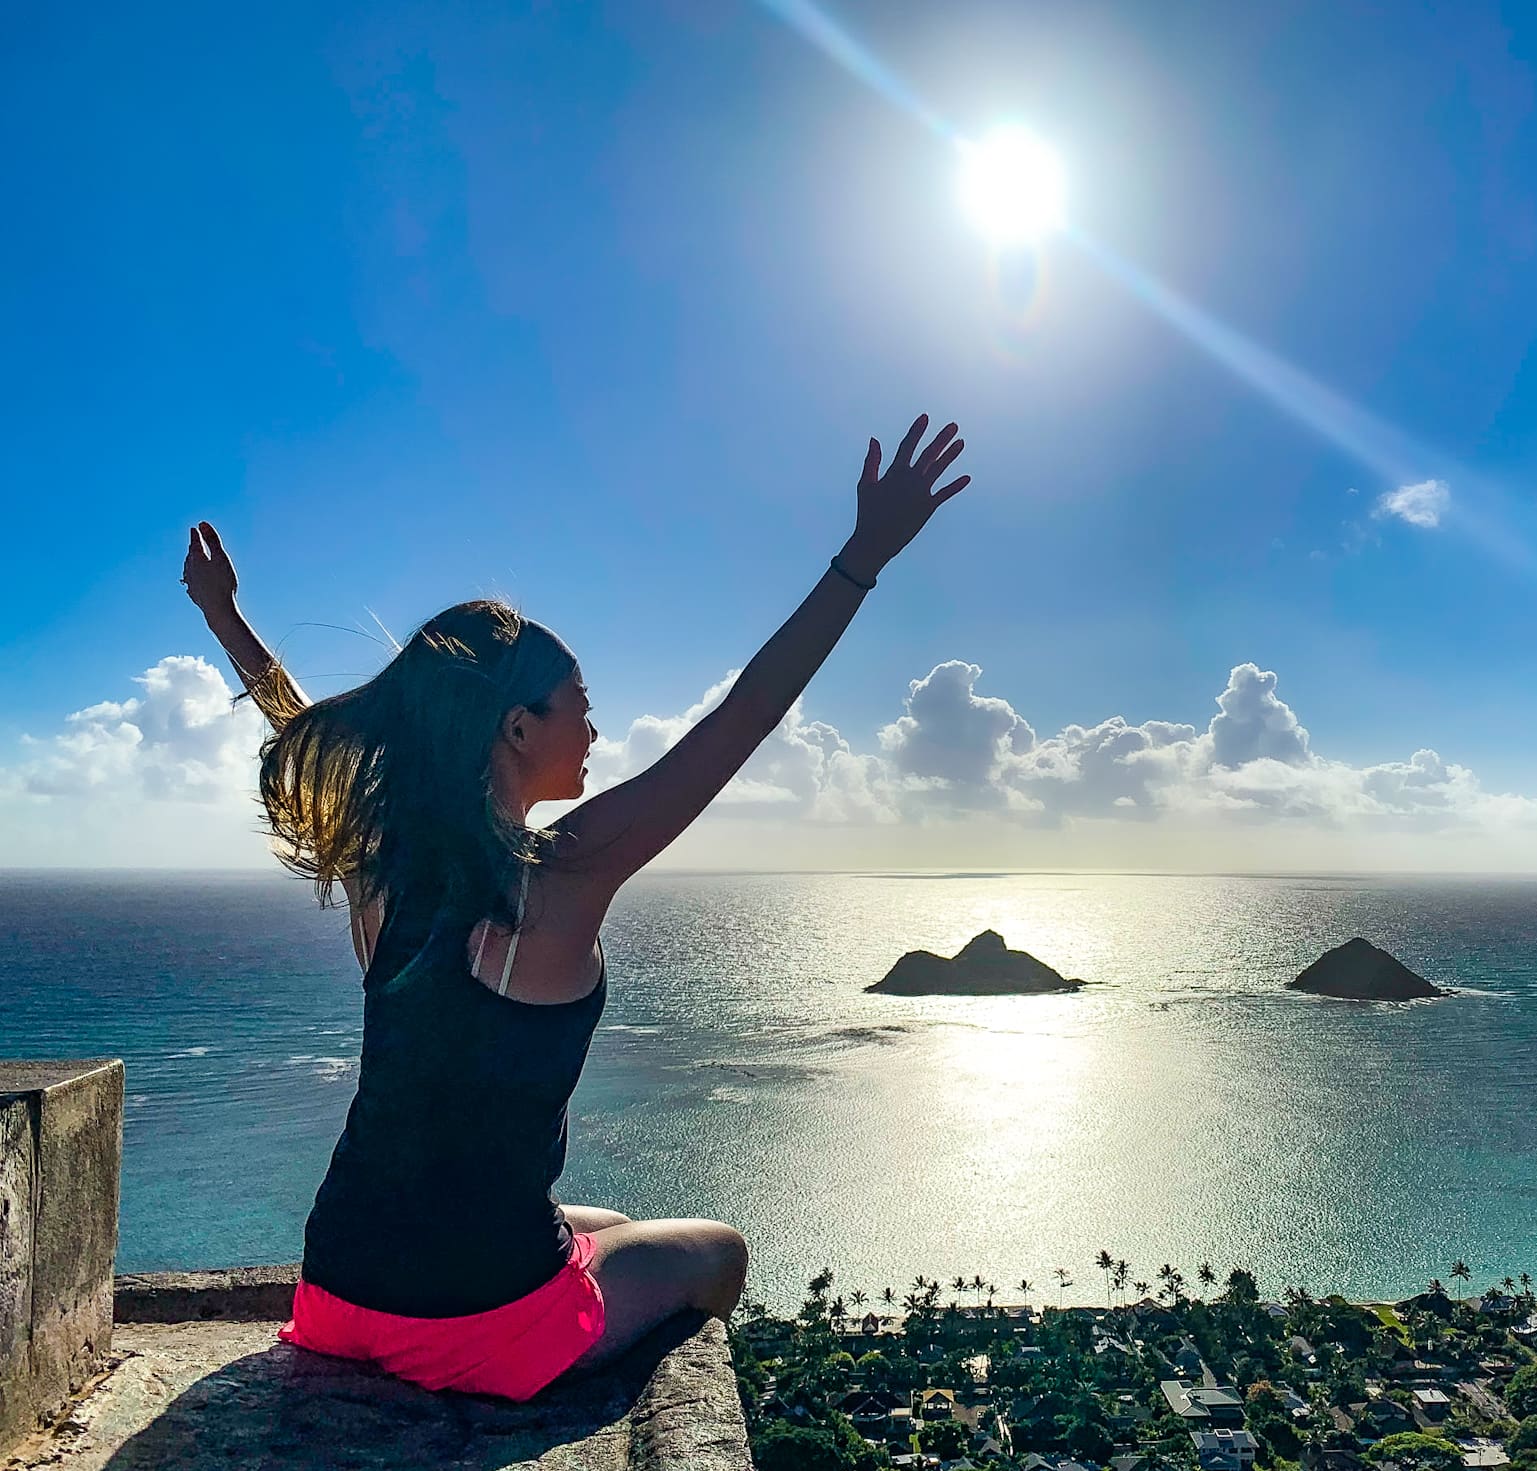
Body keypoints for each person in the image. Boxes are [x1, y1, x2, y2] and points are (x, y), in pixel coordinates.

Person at [181, 415, 970, 1402]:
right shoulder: (563, 873)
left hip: (337, 1296)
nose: (596, 726)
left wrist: (223, 619)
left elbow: (300, 727)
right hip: (474, 1330)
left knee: (596, 1223)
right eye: (578, 703)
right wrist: (861, 558)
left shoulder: (385, 858)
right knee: (714, 1249)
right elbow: (740, 722)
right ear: (517, 725)